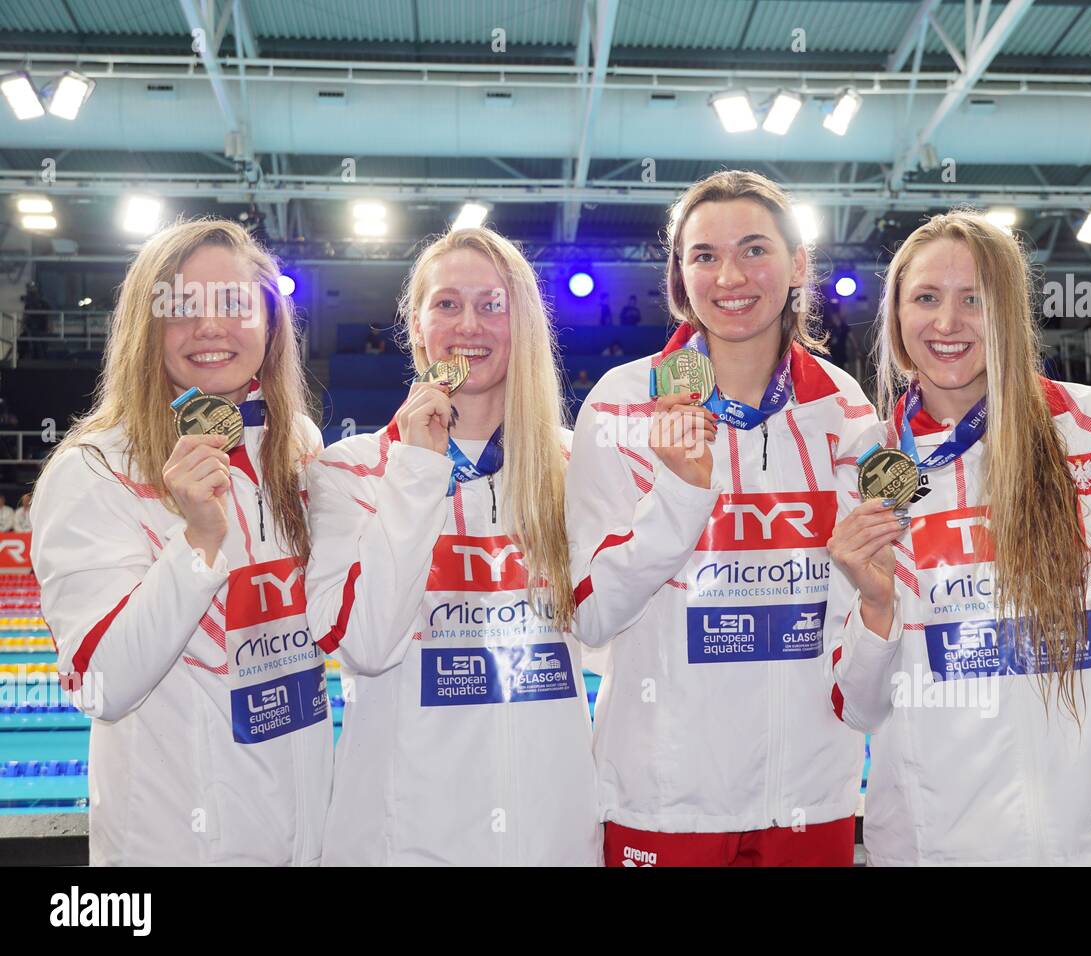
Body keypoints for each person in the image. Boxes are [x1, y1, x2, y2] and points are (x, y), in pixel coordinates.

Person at [827, 210, 1091, 865]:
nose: (947, 322)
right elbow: (854, 706)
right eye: (927, 298)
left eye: (975, 299)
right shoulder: (866, 467)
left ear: (1012, 314)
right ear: (897, 320)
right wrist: (876, 610)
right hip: (929, 848)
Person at [567, 170, 879, 867]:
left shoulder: (847, 411)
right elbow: (587, 614)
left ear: (797, 264)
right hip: (663, 796)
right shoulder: (621, 406)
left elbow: (863, 605)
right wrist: (678, 497)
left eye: (754, 249)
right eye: (704, 255)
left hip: (809, 794)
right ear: (681, 275)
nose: (730, 275)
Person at [30, 218, 332, 865]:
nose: (211, 328)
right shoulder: (95, 470)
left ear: (270, 323)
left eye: (232, 304)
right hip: (175, 847)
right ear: (148, 326)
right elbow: (102, 684)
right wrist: (196, 541)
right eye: (182, 308)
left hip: (303, 840)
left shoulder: (296, 443)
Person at [304, 227, 600, 865]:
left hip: (550, 832)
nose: (471, 324)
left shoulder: (578, 465)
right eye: (447, 304)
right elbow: (366, 645)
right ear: (415, 327)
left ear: (523, 326)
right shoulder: (349, 470)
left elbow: (611, 634)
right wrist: (414, 472)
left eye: (493, 305)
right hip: (399, 836)